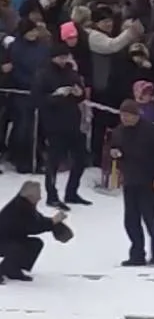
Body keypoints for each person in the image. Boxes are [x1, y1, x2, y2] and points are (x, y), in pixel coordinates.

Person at [108, 100, 154, 266]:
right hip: (131, 179)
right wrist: (114, 152)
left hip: (148, 180)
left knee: (149, 217)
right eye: (122, 116)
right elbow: (114, 147)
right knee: (131, 220)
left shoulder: (151, 131)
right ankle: (137, 253)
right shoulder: (119, 131)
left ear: (136, 116)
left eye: (128, 116)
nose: (125, 119)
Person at [32, 42, 90, 210]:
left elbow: (80, 93)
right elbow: (37, 99)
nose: (64, 60)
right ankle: (52, 195)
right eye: (61, 57)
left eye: (66, 56)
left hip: (73, 121)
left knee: (81, 158)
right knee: (54, 162)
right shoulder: (43, 74)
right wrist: (56, 96)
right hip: (54, 124)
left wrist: (79, 94)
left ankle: (72, 191)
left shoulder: (71, 72)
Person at [0, 181, 68, 282]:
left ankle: (13, 269)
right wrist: (52, 222)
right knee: (18, 247)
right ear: (29, 196)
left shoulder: (26, 204)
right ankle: (4, 269)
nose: (40, 198)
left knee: (35, 244)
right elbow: (32, 226)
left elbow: (38, 220)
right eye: (38, 194)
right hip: (3, 241)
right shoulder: (19, 207)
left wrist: (52, 223)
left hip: (10, 239)